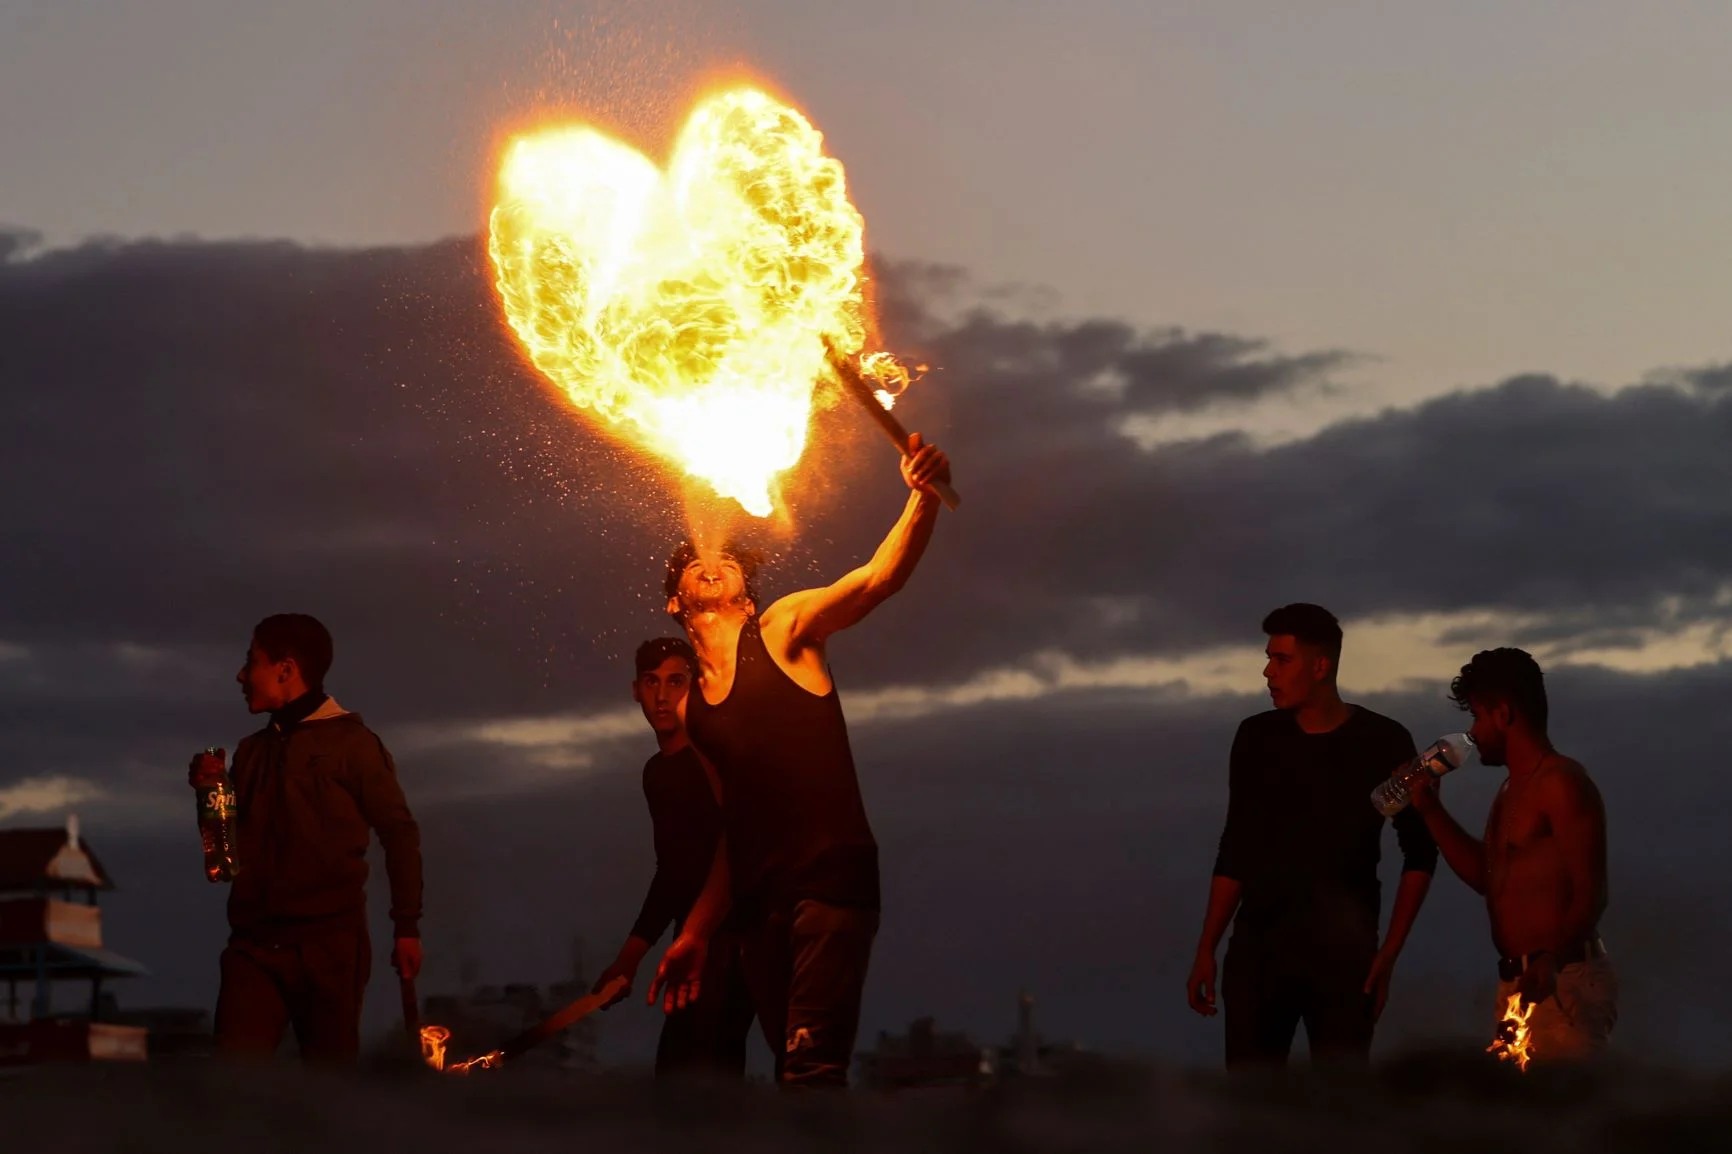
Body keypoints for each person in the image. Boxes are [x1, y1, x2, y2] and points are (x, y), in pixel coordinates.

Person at [647, 433, 952, 1089]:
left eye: (730, 561)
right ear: (676, 602)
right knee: (792, 1077)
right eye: (697, 563)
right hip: (760, 907)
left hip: (830, 884)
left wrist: (920, 497)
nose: (712, 561)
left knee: (812, 1072)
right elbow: (734, 828)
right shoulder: (694, 711)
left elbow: (877, 580)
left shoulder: (782, 630)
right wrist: (697, 933)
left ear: (747, 598)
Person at [1186, 603, 1439, 1067]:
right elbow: (1236, 846)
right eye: (1268, 658)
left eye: (1282, 660)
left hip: (1344, 957)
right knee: (1251, 1111)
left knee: (1338, 1112)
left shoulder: (1382, 740)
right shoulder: (1256, 738)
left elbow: (1421, 851)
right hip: (1259, 952)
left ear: (1321, 665)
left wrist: (1388, 953)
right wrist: (1207, 947)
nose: (1267, 672)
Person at [187, 613, 423, 1064]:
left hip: (329, 947)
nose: (240, 675)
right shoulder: (252, 752)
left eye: (250, 661)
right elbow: (224, 861)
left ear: (285, 669)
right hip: (253, 948)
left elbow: (399, 833)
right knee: (231, 1092)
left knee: (330, 1093)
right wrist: (211, 796)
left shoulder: (354, 745)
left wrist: (406, 927)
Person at [1409, 648, 1614, 1064]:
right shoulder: (1510, 789)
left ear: (1503, 714)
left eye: (1478, 717)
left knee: (1563, 1116)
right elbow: (1488, 879)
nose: (1473, 731)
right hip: (1520, 983)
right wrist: (1430, 811)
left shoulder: (1562, 783)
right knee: (1521, 1122)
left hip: (1563, 982)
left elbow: (1592, 893)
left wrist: (1550, 959)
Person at [591, 637, 755, 1079]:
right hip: (691, 944)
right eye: (652, 682)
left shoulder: (714, 757)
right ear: (636, 690)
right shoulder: (658, 771)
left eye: (676, 681)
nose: (662, 696)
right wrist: (630, 958)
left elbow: (741, 844)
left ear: (696, 685)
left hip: (734, 941)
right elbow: (673, 870)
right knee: (687, 1082)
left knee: (698, 1083)